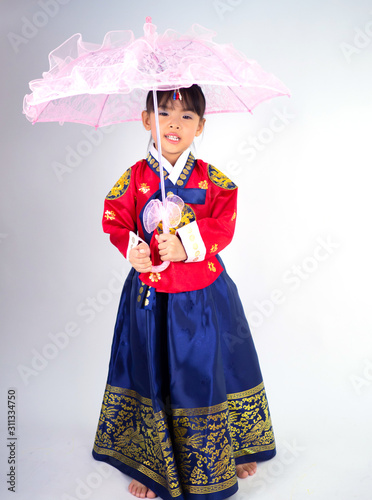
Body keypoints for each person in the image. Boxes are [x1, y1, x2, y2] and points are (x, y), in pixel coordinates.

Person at [92, 85, 276, 500]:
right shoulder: (134, 178)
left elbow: (225, 221)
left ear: (201, 127)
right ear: (146, 121)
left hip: (203, 297)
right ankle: (152, 460)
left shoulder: (213, 179)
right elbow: (114, 218)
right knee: (152, 368)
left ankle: (224, 448)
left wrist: (188, 245)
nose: (174, 124)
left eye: (187, 116)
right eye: (164, 114)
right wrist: (134, 248)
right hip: (151, 297)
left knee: (208, 367)